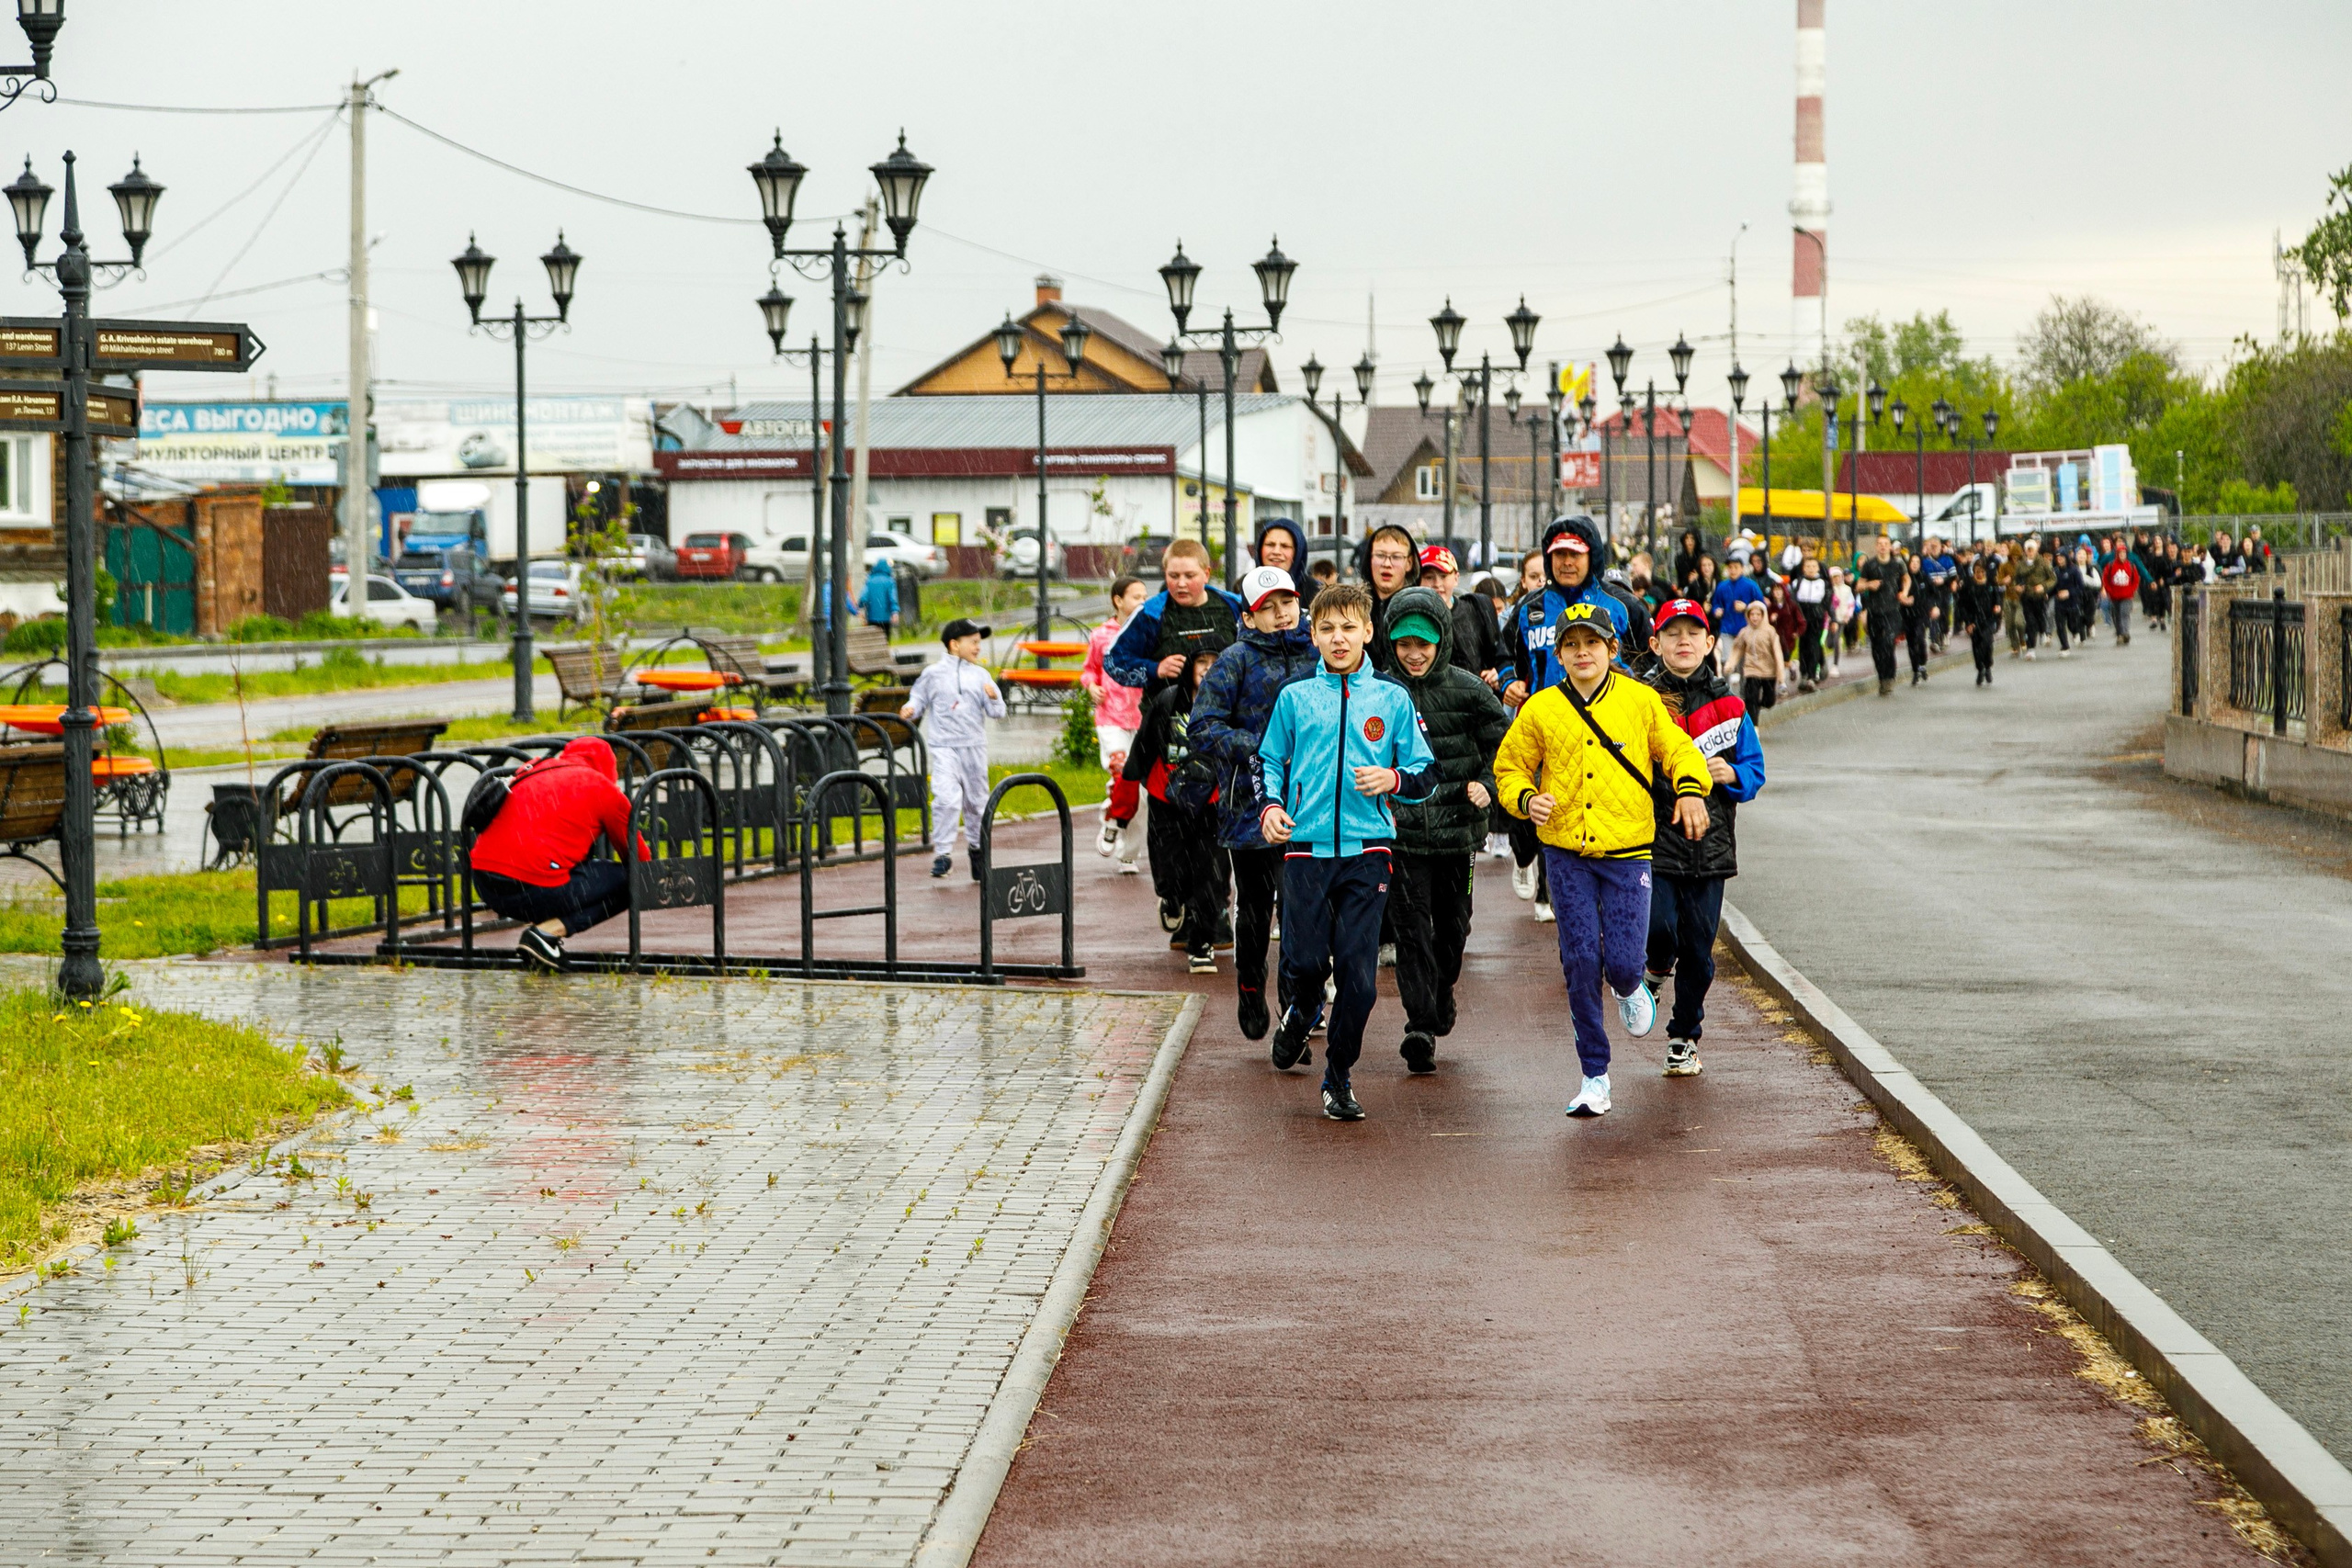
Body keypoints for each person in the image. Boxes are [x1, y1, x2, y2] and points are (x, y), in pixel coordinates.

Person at [1495, 602, 1710, 1119]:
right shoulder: (1541, 709)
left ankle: (1631, 986)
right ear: (1558, 654)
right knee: (1579, 962)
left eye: (1592, 642)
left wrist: (1689, 790)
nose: (1582, 652)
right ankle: (1594, 1075)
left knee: (1622, 964)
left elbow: (1679, 750)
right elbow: (1509, 767)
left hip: (1628, 852)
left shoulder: (1640, 701)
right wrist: (1526, 798)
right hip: (1565, 852)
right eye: (1571, 644)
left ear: (1612, 649)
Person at [1257, 582, 1437, 1122]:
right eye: (1328, 629)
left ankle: (1337, 1078)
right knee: (1305, 962)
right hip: (1305, 850)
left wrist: (1393, 778)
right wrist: (1270, 808)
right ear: (1313, 635)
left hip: (1368, 852)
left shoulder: (1392, 698)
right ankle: (1302, 1009)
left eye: (1349, 628)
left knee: (1359, 982)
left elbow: (1426, 771)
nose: (1339, 639)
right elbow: (1267, 761)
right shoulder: (1294, 697)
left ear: (1368, 632)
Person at [1381, 584, 1510, 1075]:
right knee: (1412, 931)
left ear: (1442, 641)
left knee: (1453, 931)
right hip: (1401, 834)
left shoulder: (1469, 690)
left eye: (1424, 643)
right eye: (1404, 644)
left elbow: (1505, 747)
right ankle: (1419, 1026)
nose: (1414, 654)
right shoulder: (1379, 692)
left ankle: (1442, 989)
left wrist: (1487, 783)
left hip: (1458, 833)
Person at [1189, 565, 1320, 1038]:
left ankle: (1295, 1007)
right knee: (1256, 909)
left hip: (1309, 805)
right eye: (1268, 608)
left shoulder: (1319, 652)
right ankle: (1250, 984)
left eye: (1287, 603)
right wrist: (1258, 747)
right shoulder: (1235, 660)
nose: (1281, 614)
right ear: (1248, 616)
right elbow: (1202, 726)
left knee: (1301, 909)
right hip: (1248, 806)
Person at [1638, 598, 1765, 1077]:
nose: (1684, 642)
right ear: (1656, 644)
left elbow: (1754, 772)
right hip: (1654, 842)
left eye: (1693, 633)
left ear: (1710, 643)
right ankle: (1656, 967)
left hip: (1711, 848)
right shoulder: (1642, 701)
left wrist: (1732, 773)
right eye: (1673, 633)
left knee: (1698, 949)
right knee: (1658, 929)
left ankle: (1684, 1037)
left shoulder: (1730, 706)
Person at [470, 735, 650, 972]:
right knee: (634, 880)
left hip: (485, 885)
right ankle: (546, 934)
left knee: (555, 867)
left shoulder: (532, 768)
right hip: (536, 891)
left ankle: (543, 941)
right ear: (609, 766)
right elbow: (641, 861)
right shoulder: (602, 786)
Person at [1125, 647, 1226, 973]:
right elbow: (1144, 745)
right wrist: (1125, 798)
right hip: (1167, 798)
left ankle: (1201, 943)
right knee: (1170, 870)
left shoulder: (1229, 704)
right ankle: (1171, 898)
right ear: (1190, 666)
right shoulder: (1167, 701)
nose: (1207, 669)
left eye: (1215, 663)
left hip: (1211, 802)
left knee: (1210, 875)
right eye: (1202, 662)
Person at [903, 618, 1007, 880]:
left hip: (974, 748)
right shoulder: (933, 674)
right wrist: (910, 708)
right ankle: (943, 854)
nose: (978, 647)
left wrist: (995, 697)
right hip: (944, 747)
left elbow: (997, 712)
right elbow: (918, 698)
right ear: (954, 645)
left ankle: (977, 850)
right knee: (946, 799)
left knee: (976, 803)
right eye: (973, 642)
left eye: (979, 643)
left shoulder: (981, 675)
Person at [1506, 516, 1634, 707]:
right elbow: (1505, 654)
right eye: (1559, 554)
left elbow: (1647, 659)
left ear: (1591, 557)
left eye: (1575, 554)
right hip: (1547, 717)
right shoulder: (1529, 607)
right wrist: (1509, 681)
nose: (1567, 562)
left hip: (1609, 716)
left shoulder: (1621, 604)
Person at [1104, 536, 1244, 700]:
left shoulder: (1234, 606)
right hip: (1166, 710)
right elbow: (1112, 660)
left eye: (1189, 576)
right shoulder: (1150, 613)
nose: (1181, 583)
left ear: (1206, 574)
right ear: (1165, 574)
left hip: (1225, 708)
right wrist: (1155, 669)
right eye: (1174, 576)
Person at [1081, 576, 1150, 870]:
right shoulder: (1101, 636)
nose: (1142, 602)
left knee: (1143, 796)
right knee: (1122, 775)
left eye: (1145, 597)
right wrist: (1091, 686)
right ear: (1118, 601)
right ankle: (1112, 820)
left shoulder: (1148, 633)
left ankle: (1129, 853)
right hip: (1111, 718)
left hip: (1143, 720)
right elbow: (1089, 670)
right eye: (1136, 597)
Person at [1419, 544, 1505, 689]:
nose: (1437, 584)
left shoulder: (1476, 609)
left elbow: (1501, 655)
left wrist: (1498, 672)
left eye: (1443, 576)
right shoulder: (1412, 618)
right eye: (1429, 577)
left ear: (1456, 578)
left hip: (1477, 696)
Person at [1353, 524, 1420, 672]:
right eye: (1380, 555)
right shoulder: (1353, 606)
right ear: (1370, 558)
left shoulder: (1418, 608)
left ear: (1409, 563)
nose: (1387, 564)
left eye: (1396, 557)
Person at [1857, 535, 1908, 695]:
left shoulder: (1897, 564)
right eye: (1880, 544)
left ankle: (1889, 677)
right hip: (1874, 611)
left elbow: (1906, 579)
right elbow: (1858, 586)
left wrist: (1904, 592)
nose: (1883, 546)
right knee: (1877, 648)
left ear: (1890, 546)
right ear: (1876, 546)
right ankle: (1882, 677)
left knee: (1887, 643)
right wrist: (1868, 585)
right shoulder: (1870, 565)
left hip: (1892, 611)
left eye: (1886, 544)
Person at [1723, 600, 1786, 715]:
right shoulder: (1745, 632)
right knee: (1750, 699)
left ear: (1763, 616)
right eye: (1752, 614)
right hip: (1751, 670)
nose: (1755, 618)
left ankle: (1759, 704)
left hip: (1768, 672)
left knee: (1769, 701)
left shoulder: (1770, 632)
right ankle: (1753, 721)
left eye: (1758, 614)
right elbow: (1737, 649)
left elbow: (1778, 654)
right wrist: (1730, 664)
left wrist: (1781, 678)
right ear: (1748, 616)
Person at [1956, 557, 2001, 685]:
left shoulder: (1991, 583)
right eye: (1977, 572)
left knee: (1987, 642)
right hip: (1973, 619)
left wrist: (1997, 606)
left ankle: (1988, 666)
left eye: (1982, 572)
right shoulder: (1968, 585)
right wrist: (1967, 622)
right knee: (1976, 645)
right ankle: (1980, 668)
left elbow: (1997, 598)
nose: (1980, 574)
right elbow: (1962, 605)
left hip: (1988, 618)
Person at [1707, 552, 1766, 641]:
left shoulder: (1751, 586)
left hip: (1747, 628)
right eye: (1730, 567)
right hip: (1726, 629)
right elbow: (1716, 603)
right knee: (1727, 650)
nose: (1733, 570)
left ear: (1742, 569)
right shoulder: (1722, 586)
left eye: (1736, 567)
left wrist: (1746, 608)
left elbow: (1761, 605)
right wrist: (1716, 610)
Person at [2013, 536, 2055, 660]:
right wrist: (2017, 587)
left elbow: (2053, 579)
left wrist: (2043, 586)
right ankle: (2031, 649)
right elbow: (2016, 579)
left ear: (2036, 550)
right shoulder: (2020, 564)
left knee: (2040, 618)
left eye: (2032, 549)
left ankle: (2043, 632)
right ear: (2025, 550)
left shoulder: (2043, 563)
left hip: (2039, 596)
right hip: (2026, 596)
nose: (2030, 552)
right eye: (2028, 549)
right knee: (2030, 622)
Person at [1792, 558, 1830, 691]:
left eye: (1814, 566)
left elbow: (1827, 601)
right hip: (1803, 615)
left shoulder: (1823, 583)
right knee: (1803, 644)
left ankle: (1812, 674)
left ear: (1818, 568)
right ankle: (1804, 673)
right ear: (1803, 569)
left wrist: (1826, 614)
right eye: (1808, 566)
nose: (1811, 569)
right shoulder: (1798, 582)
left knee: (1814, 644)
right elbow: (1794, 600)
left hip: (1817, 617)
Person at [2100, 547, 2141, 647]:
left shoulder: (2131, 566)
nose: (2122, 555)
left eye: (2124, 553)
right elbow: (2105, 578)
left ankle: (2125, 632)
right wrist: (2109, 590)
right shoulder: (2111, 566)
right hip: (2114, 596)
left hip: (2127, 596)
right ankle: (2120, 634)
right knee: (2116, 616)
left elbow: (2136, 580)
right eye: (2120, 553)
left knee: (2124, 613)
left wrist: (2132, 590)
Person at [859, 554, 899, 629]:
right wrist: (894, 612)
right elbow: (893, 598)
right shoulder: (889, 581)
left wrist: (860, 607)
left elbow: (863, 597)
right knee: (885, 636)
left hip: (872, 617)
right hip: (886, 617)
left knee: (873, 635)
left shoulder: (870, 581)